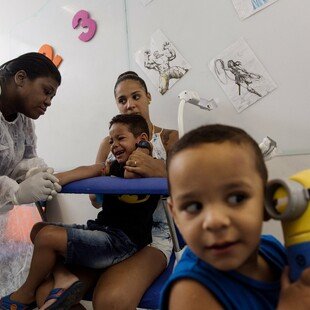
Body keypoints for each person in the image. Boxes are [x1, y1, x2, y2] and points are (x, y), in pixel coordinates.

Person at [35, 71, 178, 309]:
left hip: (154, 237)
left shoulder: (169, 138)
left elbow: (184, 188)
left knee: (110, 301)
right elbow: (96, 200)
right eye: (122, 100)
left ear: (149, 97)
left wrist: (152, 166)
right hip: (113, 229)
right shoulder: (110, 143)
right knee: (46, 293)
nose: (130, 104)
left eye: (136, 96)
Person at [0, 113, 161, 310]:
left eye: (120, 138)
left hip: (124, 241)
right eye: (111, 140)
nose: (114, 145)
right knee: (38, 230)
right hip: (102, 231)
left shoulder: (151, 167)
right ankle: (63, 276)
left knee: (47, 238)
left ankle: (25, 294)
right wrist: (54, 180)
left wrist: (144, 148)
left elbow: (132, 169)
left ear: (142, 140)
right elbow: (90, 169)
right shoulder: (114, 166)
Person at [160, 124, 310, 309]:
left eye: (236, 198)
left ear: (266, 201)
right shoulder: (190, 293)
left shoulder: (272, 249)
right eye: (193, 206)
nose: (214, 221)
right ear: (175, 215)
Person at [0, 52, 62, 295]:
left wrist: (33, 170)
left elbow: (22, 161)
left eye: (52, 96)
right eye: (46, 91)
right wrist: (15, 191)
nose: (48, 102)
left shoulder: (24, 121)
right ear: (21, 78)